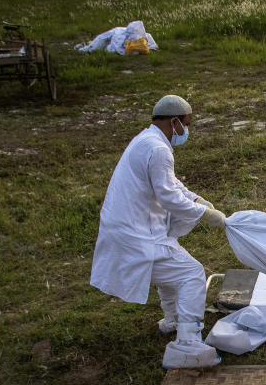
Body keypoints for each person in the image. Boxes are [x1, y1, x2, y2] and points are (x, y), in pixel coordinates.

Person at [90, 95, 227, 369]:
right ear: (174, 122)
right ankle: (187, 344)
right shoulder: (159, 149)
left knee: (171, 271)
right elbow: (167, 196)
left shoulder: (146, 140)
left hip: (127, 227)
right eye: (186, 125)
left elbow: (170, 183)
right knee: (191, 273)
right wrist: (204, 214)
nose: (186, 131)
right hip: (136, 236)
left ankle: (173, 319)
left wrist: (196, 198)